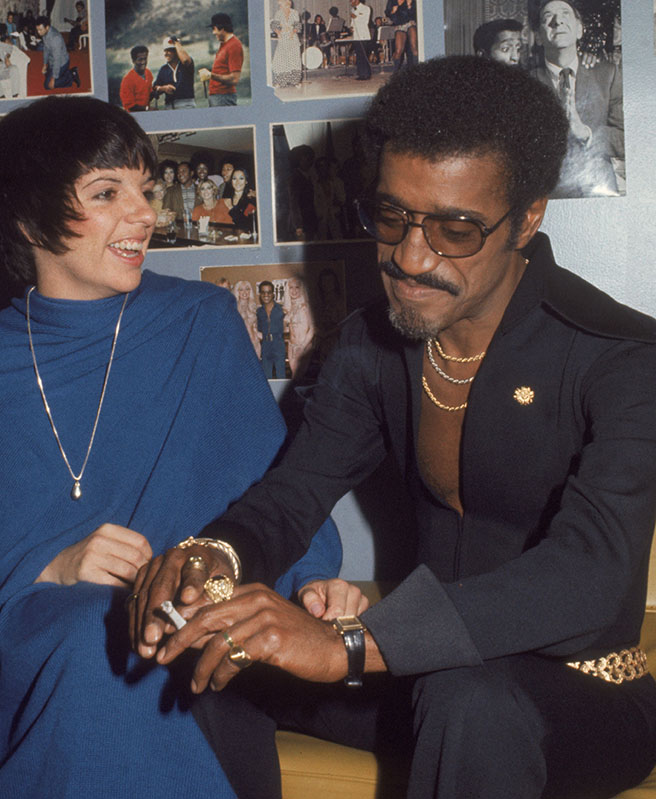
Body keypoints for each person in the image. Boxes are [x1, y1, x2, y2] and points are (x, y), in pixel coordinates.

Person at [131, 56, 656, 799]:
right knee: (205, 651)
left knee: (471, 702)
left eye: (455, 229)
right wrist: (215, 556)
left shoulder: (623, 355)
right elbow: (293, 494)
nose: (411, 258)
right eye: (391, 217)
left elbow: (588, 579)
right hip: (424, 674)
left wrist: (356, 642)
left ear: (529, 217)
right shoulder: (370, 346)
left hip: (583, 697)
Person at [0, 94, 340, 797]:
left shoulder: (200, 321)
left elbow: (277, 489)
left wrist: (313, 583)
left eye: (145, 189)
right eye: (107, 192)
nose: (145, 214)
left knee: (111, 639)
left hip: (184, 630)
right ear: (28, 218)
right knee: (88, 632)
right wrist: (52, 564)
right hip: (33, 644)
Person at [530, 0, 623, 198]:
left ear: (580, 30)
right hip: (547, 197)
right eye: (548, 17)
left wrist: (588, 135)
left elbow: (627, 138)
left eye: (565, 13)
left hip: (600, 192)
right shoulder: (524, 83)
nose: (558, 21)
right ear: (538, 36)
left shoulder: (608, 74)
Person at [200, 13, 243, 107]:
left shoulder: (234, 45)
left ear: (222, 28)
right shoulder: (225, 44)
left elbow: (234, 79)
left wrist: (210, 75)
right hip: (218, 97)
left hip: (223, 98)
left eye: (214, 29)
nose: (213, 32)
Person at [36, 15, 80, 90]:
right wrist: (45, 64)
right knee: (46, 74)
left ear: (47, 27)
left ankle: (71, 77)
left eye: (40, 30)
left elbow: (57, 60)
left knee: (48, 86)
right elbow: (46, 49)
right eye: (37, 30)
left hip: (61, 63)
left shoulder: (55, 38)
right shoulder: (45, 33)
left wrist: (54, 78)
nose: (38, 32)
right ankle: (67, 72)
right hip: (52, 61)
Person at [284, 275, 315, 379]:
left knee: (301, 378)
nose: (294, 291)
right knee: (294, 378)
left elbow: (312, 329)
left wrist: (302, 347)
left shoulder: (306, 306)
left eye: (297, 287)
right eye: (291, 287)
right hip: (291, 346)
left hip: (304, 347)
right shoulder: (289, 309)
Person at [153, 36, 195, 109]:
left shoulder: (186, 65)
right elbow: (155, 86)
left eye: (169, 50)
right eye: (165, 51)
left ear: (177, 51)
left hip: (187, 104)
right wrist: (163, 88)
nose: (166, 53)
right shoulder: (164, 69)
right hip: (169, 105)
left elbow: (185, 60)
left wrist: (176, 43)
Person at [255, 280, 286, 379]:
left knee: (281, 375)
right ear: (260, 294)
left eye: (268, 292)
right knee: (266, 377)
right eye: (263, 292)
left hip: (278, 344)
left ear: (273, 294)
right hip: (265, 346)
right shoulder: (258, 312)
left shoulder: (282, 310)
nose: (266, 295)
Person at [271, 0, 302, 89]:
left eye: (281, 5)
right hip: (283, 38)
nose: (280, 7)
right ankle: (280, 82)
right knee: (281, 60)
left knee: (294, 60)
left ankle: (295, 82)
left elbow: (297, 26)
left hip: (293, 39)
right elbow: (274, 25)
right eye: (279, 5)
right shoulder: (278, 13)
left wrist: (292, 33)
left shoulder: (295, 13)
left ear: (287, 4)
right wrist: (279, 33)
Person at [386, 0, 418, 70]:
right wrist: (392, 12)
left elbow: (415, 14)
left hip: (410, 22)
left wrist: (410, 6)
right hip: (399, 24)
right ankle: (396, 72)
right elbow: (387, 13)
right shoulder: (392, 1)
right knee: (398, 50)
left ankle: (417, 69)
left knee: (414, 47)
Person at [119, 44, 152, 111]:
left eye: (145, 59)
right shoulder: (127, 80)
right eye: (140, 60)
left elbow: (149, 93)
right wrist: (147, 109)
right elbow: (130, 106)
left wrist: (161, 89)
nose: (143, 62)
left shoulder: (148, 73)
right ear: (133, 61)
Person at [233, 279, 261, 356]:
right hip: (241, 344)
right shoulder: (234, 308)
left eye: (247, 289)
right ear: (237, 292)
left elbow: (254, 327)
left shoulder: (253, 306)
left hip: (255, 342)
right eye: (241, 290)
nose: (245, 292)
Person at [349, 0, 372, 80]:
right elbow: (352, 23)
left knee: (364, 55)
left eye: (352, 0)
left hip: (364, 35)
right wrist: (351, 27)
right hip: (356, 36)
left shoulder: (366, 8)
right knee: (358, 55)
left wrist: (355, 17)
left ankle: (366, 74)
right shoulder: (353, 10)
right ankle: (361, 74)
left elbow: (365, 21)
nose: (350, 2)